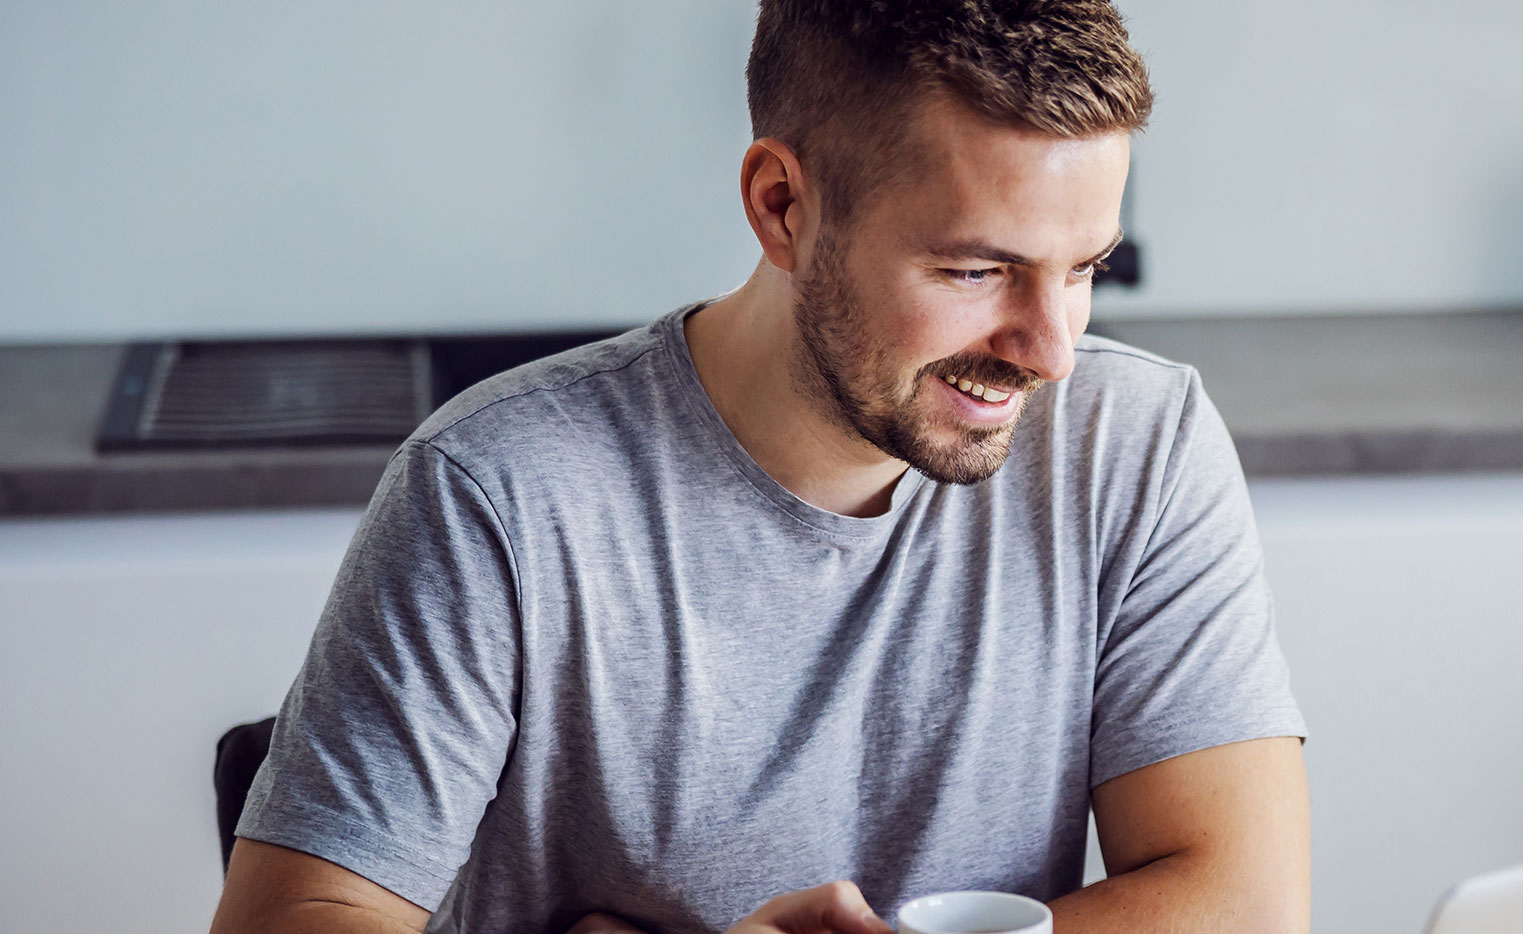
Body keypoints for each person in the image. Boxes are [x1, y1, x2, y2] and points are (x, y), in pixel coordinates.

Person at [206, 2, 1309, 932]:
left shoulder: (1136, 445)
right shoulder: (500, 489)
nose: (1051, 349)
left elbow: (1244, 899)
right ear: (782, 206)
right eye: (978, 268)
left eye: (1085, 270)